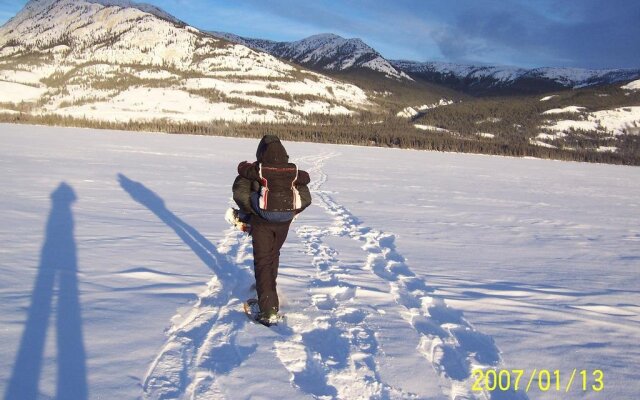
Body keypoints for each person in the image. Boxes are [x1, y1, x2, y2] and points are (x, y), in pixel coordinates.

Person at [229, 135, 311, 326]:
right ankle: (268, 291)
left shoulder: (258, 170)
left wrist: (251, 213)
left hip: (263, 220)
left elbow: (240, 188)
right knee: (273, 254)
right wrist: (292, 212)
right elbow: (306, 190)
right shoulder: (293, 172)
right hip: (285, 220)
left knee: (263, 262)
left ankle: (268, 311)